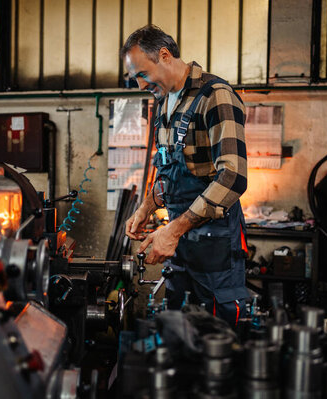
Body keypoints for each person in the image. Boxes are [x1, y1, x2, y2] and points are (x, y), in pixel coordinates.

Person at [121, 25, 249, 326]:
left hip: (215, 243)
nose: (140, 85)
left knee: (219, 333)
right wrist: (147, 207)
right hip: (181, 241)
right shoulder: (164, 101)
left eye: (142, 74)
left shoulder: (215, 96)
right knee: (179, 330)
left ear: (164, 56)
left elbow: (233, 177)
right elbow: (170, 171)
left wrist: (173, 230)